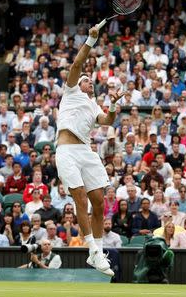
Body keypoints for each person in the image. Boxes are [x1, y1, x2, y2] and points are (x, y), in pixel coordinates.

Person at [55, 24, 123, 276]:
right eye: (86, 80)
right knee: (80, 198)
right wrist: (90, 40)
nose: (89, 82)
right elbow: (76, 66)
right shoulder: (71, 91)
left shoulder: (94, 105)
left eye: (91, 81)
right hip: (66, 151)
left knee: (99, 202)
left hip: (86, 151)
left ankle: (99, 252)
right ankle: (92, 250)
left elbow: (106, 121)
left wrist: (114, 105)